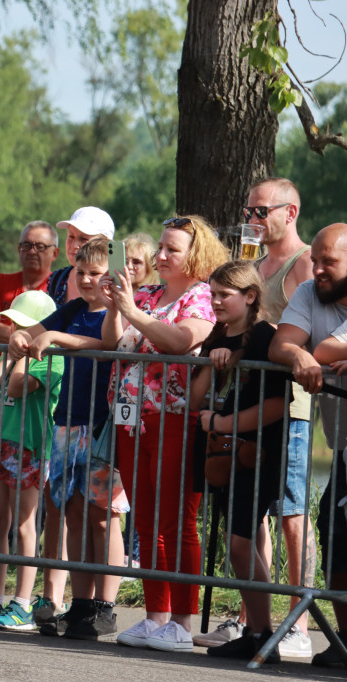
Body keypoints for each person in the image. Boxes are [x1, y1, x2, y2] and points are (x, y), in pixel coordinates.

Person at [100, 215, 229, 652]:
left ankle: (182, 620)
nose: (161, 255)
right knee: (147, 521)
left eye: (172, 249)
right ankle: (155, 617)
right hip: (132, 417)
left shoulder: (203, 299)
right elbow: (115, 341)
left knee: (177, 522)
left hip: (177, 417)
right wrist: (120, 307)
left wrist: (134, 311)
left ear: (196, 255)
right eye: (161, 247)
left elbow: (181, 341)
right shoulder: (149, 293)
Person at [9, 237, 126, 639]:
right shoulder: (72, 308)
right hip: (65, 423)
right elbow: (34, 332)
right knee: (71, 513)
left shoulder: (113, 311)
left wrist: (57, 339)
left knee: (103, 517)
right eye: (81, 273)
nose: (88, 280)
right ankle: (81, 603)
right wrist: (21, 338)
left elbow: (109, 345)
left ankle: (106, 606)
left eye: (97, 273)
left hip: (98, 423)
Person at [186, 261, 288, 664]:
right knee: (239, 546)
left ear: (250, 296)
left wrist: (226, 423)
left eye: (223, 295)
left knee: (242, 545)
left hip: (259, 454)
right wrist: (215, 363)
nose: (215, 302)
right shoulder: (217, 333)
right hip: (227, 456)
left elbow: (278, 404)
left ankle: (264, 634)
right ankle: (257, 632)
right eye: (211, 294)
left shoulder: (265, 336)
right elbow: (195, 400)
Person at [244, 176, 315, 659]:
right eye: (249, 210)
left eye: (261, 210)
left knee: (292, 512)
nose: (253, 219)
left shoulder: (305, 262)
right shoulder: (253, 263)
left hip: (292, 405)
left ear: (289, 212)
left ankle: (300, 623)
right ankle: (259, 619)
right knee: (261, 514)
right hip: (255, 405)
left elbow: (311, 330)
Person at [270, 222, 347, 668]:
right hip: (341, 445)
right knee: (337, 545)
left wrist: (310, 353)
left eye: (328, 262)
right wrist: (297, 354)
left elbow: (324, 353)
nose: (316, 269)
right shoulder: (310, 294)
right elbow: (285, 343)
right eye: (314, 259)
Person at [0, 291, 63, 630]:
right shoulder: (8, 357)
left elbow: (19, 388)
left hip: (29, 446)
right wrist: (7, 357)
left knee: (25, 525)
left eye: (24, 325)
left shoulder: (52, 359)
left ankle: (21, 602)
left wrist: (24, 354)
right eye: (13, 324)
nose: (16, 331)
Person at [0, 220, 58, 356]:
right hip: (0, 372)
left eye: (40, 246)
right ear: (19, 249)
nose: (32, 251)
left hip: (40, 373)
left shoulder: (61, 286)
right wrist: (34, 338)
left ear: (55, 253)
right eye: (26, 245)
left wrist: (18, 337)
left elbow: (62, 333)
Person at [47, 207, 115, 305]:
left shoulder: (116, 284)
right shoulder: (56, 279)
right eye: (71, 236)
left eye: (83, 239)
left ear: (106, 244)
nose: (74, 245)